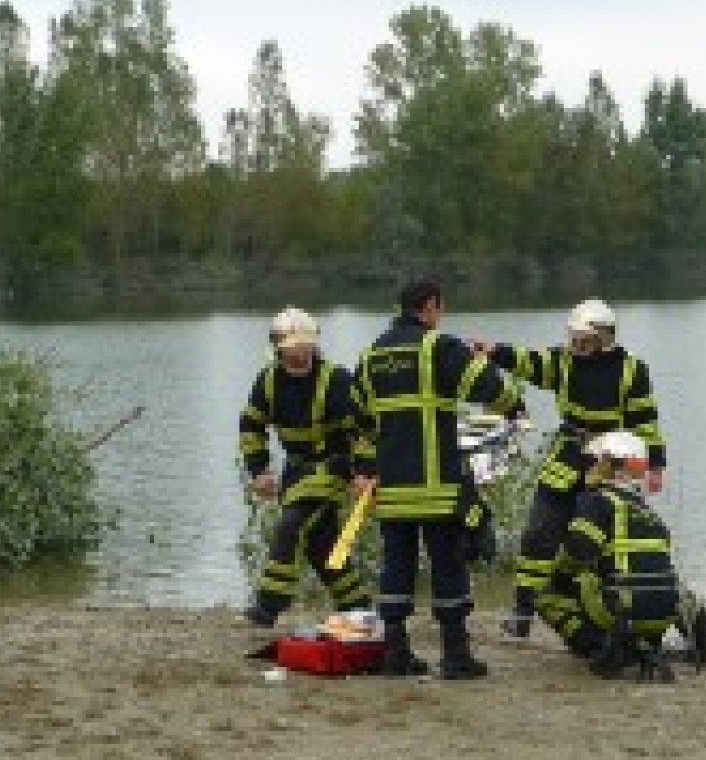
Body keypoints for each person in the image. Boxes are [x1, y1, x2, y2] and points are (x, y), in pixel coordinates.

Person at [353, 276, 523, 679]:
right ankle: (455, 655)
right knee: (448, 565)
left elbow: (358, 421)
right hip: (437, 487)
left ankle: (395, 652)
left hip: (393, 488)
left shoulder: (370, 356)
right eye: (439, 309)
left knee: (396, 565)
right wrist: (513, 405)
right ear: (429, 306)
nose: (440, 316)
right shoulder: (438, 347)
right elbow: (487, 387)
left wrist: (364, 470)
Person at [471, 298, 667, 638]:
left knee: (604, 540)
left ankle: (611, 608)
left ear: (604, 338)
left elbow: (645, 421)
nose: (576, 344)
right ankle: (523, 612)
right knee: (538, 535)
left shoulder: (632, 370)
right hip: (568, 456)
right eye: (573, 337)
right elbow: (529, 362)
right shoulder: (562, 362)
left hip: (611, 462)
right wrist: (492, 351)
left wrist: (655, 466)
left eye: (583, 339)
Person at [533, 429, 706, 682]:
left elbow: (579, 549)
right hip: (662, 614)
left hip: (623, 612)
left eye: (594, 463)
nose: (589, 469)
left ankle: (600, 646)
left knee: (546, 597)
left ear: (610, 467)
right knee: (673, 588)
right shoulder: (649, 512)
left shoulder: (597, 501)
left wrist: (561, 577)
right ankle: (699, 641)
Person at [238, 307, 374, 627]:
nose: (300, 356)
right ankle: (357, 605)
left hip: (332, 469)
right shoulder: (268, 381)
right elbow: (250, 427)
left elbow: (365, 429)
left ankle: (269, 604)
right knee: (322, 546)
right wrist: (259, 470)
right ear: (278, 349)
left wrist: (365, 472)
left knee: (290, 525)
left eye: (305, 348)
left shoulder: (337, 380)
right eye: (292, 351)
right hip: (296, 472)